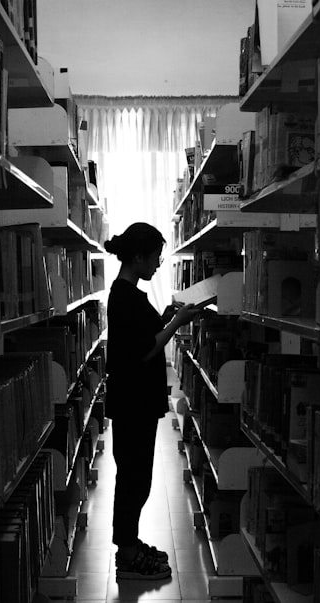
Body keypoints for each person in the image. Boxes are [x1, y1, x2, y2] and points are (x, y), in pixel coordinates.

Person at [103, 222, 202, 581]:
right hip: (133, 402)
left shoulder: (127, 295)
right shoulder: (125, 296)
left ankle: (129, 543)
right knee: (134, 477)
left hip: (134, 401)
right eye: (155, 258)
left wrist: (165, 318)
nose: (158, 265)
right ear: (138, 257)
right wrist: (176, 323)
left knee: (136, 475)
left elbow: (140, 336)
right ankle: (127, 553)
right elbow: (143, 350)